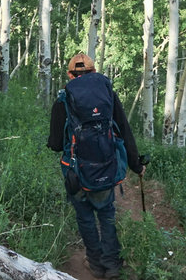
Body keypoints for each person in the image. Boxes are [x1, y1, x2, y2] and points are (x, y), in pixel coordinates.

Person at [47, 52, 145, 279]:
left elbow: (54, 143)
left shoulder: (63, 100)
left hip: (76, 172)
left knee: (85, 217)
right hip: (105, 167)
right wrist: (136, 165)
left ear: (70, 75)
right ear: (93, 72)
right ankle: (112, 266)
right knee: (107, 213)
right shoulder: (108, 95)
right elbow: (124, 131)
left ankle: (95, 263)